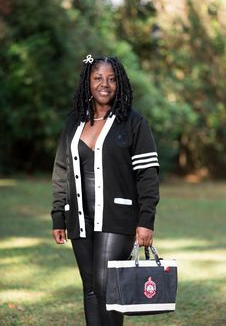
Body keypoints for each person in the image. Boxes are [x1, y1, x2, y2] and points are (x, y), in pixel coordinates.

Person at [51, 55, 160, 326]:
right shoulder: (74, 121)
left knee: (108, 288)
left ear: (119, 83)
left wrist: (146, 220)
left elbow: (147, 176)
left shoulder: (133, 122)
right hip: (79, 217)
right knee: (90, 288)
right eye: (98, 78)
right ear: (87, 81)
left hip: (117, 216)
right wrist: (58, 215)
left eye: (112, 79)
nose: (105, 84)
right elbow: (61, 170)